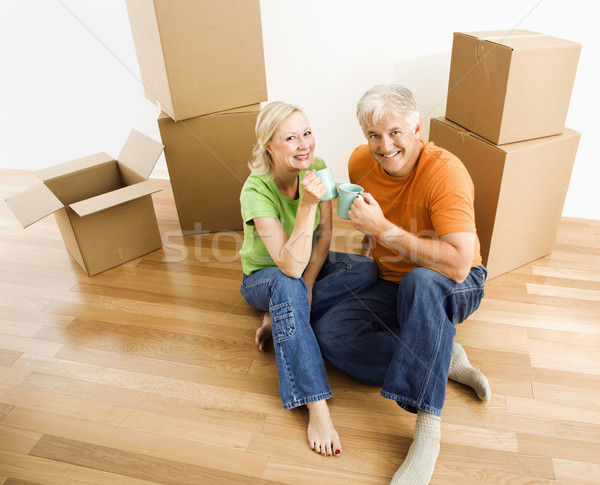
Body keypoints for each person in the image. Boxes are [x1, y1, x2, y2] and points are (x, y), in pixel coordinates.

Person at [313, 84, 491, 484]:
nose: (384, 145)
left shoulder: (445, 172)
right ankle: (443, 354)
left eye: (394, 132)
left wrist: (386, 232)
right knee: (332, 333)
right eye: (374, 135)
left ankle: (427, 430)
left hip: (452, 283)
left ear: (417, 128)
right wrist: (369, 233)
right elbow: (373, 222)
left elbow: (460, 265)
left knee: (422, 283)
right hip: (391, 278)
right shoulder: (360, 162)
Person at [239, 101, 378, 457]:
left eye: (307, 133)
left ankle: (283, 315)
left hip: (302, 271)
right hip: (265, 277)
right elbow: (287, 266)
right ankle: (316, 404)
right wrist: (305, 205)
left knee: (364, 268)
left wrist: (312, 286)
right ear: (269, 145)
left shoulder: (316, 168)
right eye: (290, 137)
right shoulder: (255, 191)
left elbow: (325, 234)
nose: (305, 144)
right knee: (287, 286)